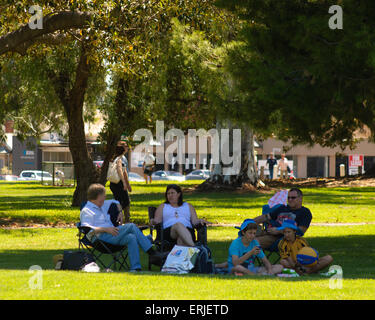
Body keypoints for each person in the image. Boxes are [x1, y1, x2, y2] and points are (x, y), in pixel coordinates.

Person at [80, 184, 165, 271]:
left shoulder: (102, 204)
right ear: (97, 196)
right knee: (131, 226)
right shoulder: (87, 211)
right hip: (100, 239)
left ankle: (135, 268)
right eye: (103, 195)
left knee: (131, 237)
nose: (105, 197)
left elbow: (116, 201)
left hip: (113, 234)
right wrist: (106, 229)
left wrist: (120, 212)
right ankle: (152, 252)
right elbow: (88, 230)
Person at [216, 219, 283, 276]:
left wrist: (270, 270)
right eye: (250, 233)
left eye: (254, 233)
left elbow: (265, 260)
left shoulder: (255, 243)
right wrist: (251, 252)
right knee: (238, 268)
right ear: (243, 232)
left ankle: (259, 274)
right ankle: (256, 275)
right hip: (235, 268)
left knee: (279, 267)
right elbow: (235, 263)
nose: (253, 236)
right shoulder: (235, 244)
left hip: (250, 269)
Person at [109, 144, 132, 223]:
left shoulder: (117, 158)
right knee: (125, 202)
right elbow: (120, 170)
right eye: (125, 147)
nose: (127, 148)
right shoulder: (119, 159)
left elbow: (124, 171)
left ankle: (120, 220)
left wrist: (127, 184)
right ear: (122, 150)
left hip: (113, 183)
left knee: (119, 201)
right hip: (118, 183)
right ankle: (125, 220)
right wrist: (124, 183)